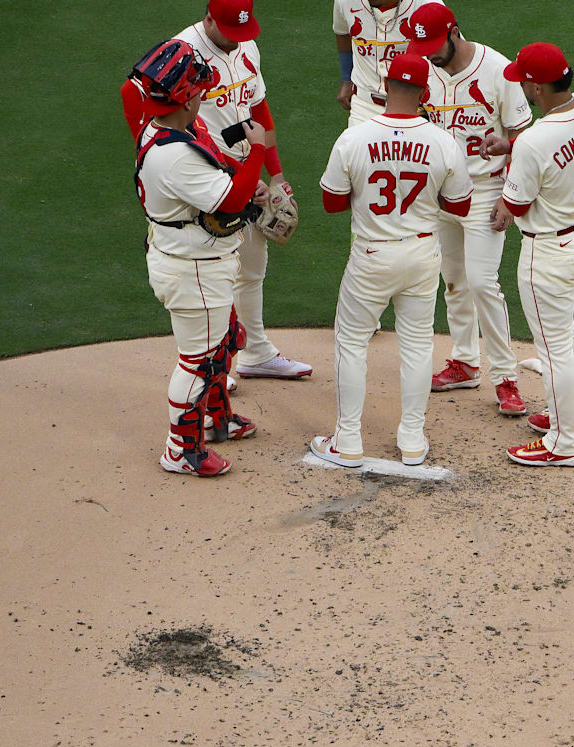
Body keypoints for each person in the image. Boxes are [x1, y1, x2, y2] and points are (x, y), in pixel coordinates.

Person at [312, 54, 472, 468]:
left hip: (371, 254)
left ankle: (347, 442)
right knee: (418, 344)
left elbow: (331, 202)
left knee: (352, 342)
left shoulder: (354, 138)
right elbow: (462, 204)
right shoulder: (442, 141)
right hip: (421, 253)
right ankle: (413, 441)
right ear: (424, 92)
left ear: (384, 84)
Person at [130, 39, 269, 476]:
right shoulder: (172, 157)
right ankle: (180, 450)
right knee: (199, 361)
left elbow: (215, 160)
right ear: (185, 98)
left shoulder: (168, 128)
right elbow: (229, 204)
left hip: (198, 260)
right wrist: (258, 154)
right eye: (198, 92)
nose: (203, 97)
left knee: (226, 339)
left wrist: (245, 173)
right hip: (192, 269)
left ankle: (216, 419)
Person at [401, 3, 532, 416]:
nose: (426, 52)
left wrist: (510, 197)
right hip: (440, 193)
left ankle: (506, 377)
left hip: (487, 190)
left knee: (481, 281)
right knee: (453, 278)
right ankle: (464, 361)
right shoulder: (425, 70)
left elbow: (523, 136)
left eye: (432, 43)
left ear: (454, 31)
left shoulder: (497, 69)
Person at [175, 0, 313, 383]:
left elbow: (259, 110)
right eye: (230, 33)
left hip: (247, 172)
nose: (238, 41)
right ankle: (213, 365)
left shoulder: (246, 46)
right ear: (208, 19)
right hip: (206, 178)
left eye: (243, 32)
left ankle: (256, 352)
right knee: (212, 273)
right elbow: (175, 127)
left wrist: (277, 173)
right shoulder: (183, 52)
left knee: (251, 268)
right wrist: (241, 173)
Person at [484, 43, 574, 467]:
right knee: (565, 331)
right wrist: (513, 145)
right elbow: (548, 142)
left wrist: (499, 206)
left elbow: (511, 208)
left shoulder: (534, 141)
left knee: (552, 347)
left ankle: (563, 441)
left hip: (549, 252)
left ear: (537, 86)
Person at [333, 0, 433, 127]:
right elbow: (342, 31)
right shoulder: (346, 2)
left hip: (414, 106)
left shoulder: (427, 5)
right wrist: (347, 79)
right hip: (364, 106)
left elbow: (449, 50)